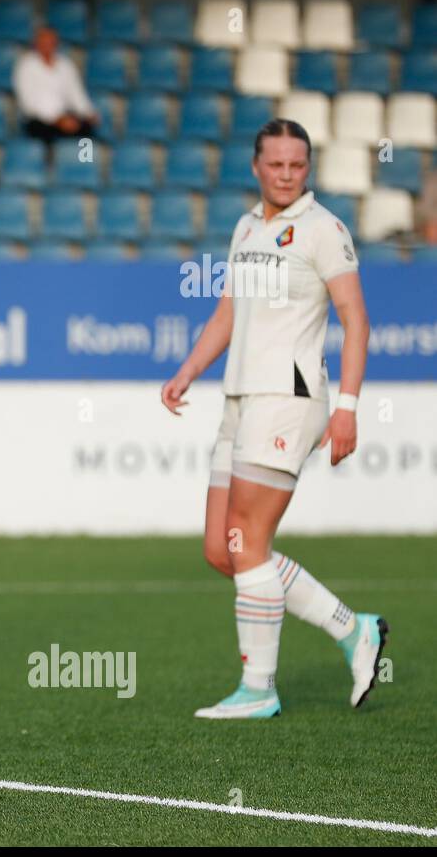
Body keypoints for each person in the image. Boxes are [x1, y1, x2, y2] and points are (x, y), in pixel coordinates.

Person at [160, 119, 387, 719]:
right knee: (223, 549)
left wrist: (348, 407)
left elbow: (356, 321)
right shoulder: (246, 227)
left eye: (298, 165)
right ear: (256, 166)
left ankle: (258, 688)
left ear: (307, 168)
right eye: (276, 164)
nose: (287, 175)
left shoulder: (323, 230)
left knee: (248, 542)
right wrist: (189, 370)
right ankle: (353, 629)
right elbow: (228, 312)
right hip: (241, 398)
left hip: (289, 398)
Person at [12, 26, 99, 143]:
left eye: (51, 41)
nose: (47, 45)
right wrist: (57, 119)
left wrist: (88, 112)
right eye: (44, 41)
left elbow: (76, 93)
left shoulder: (66, 65)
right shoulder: (26, 66)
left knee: (87, 130)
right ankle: (49, 160)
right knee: (43, 132)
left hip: (65, 116)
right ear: (36, 43)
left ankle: (85, 160)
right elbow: (28, 103)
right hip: (39, 119)